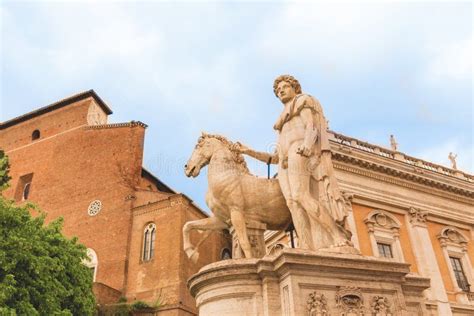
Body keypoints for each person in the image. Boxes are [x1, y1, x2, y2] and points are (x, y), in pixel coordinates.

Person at [233, 75, 352, 251]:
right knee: (292, 203)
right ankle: (305, 243)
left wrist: (307, 145)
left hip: (299, 150)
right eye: (277, 90)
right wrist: (248, 151)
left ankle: (336, 235)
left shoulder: (302, 102)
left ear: (295, 88)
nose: (280, 91)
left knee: (300, 195)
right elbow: (273, 158)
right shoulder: (281, 123)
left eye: (284, 87)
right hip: (285, 160)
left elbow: (312, 126)